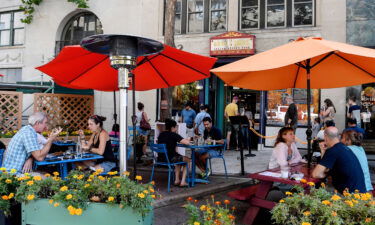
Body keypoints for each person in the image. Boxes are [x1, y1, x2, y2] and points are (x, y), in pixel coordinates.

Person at [312, 127, 366, 193]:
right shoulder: (344, 148)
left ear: (325, 137)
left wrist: (325, 175)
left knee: (315, 190)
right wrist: (323, 151)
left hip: (349, 196)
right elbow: (327, 168)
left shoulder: (333, 150)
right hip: (361, 192)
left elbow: (316, 174)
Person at [157, 118, 191, 187]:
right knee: (188, 160)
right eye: (176, 127)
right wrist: (189, 138)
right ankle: (183, 182)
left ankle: (177, 180)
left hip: (160, 159)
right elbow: (187, 143)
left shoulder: (161, 134)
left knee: (178, 159)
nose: (176, 129)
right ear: (172, 127)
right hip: (171, 159)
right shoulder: (173, 134)